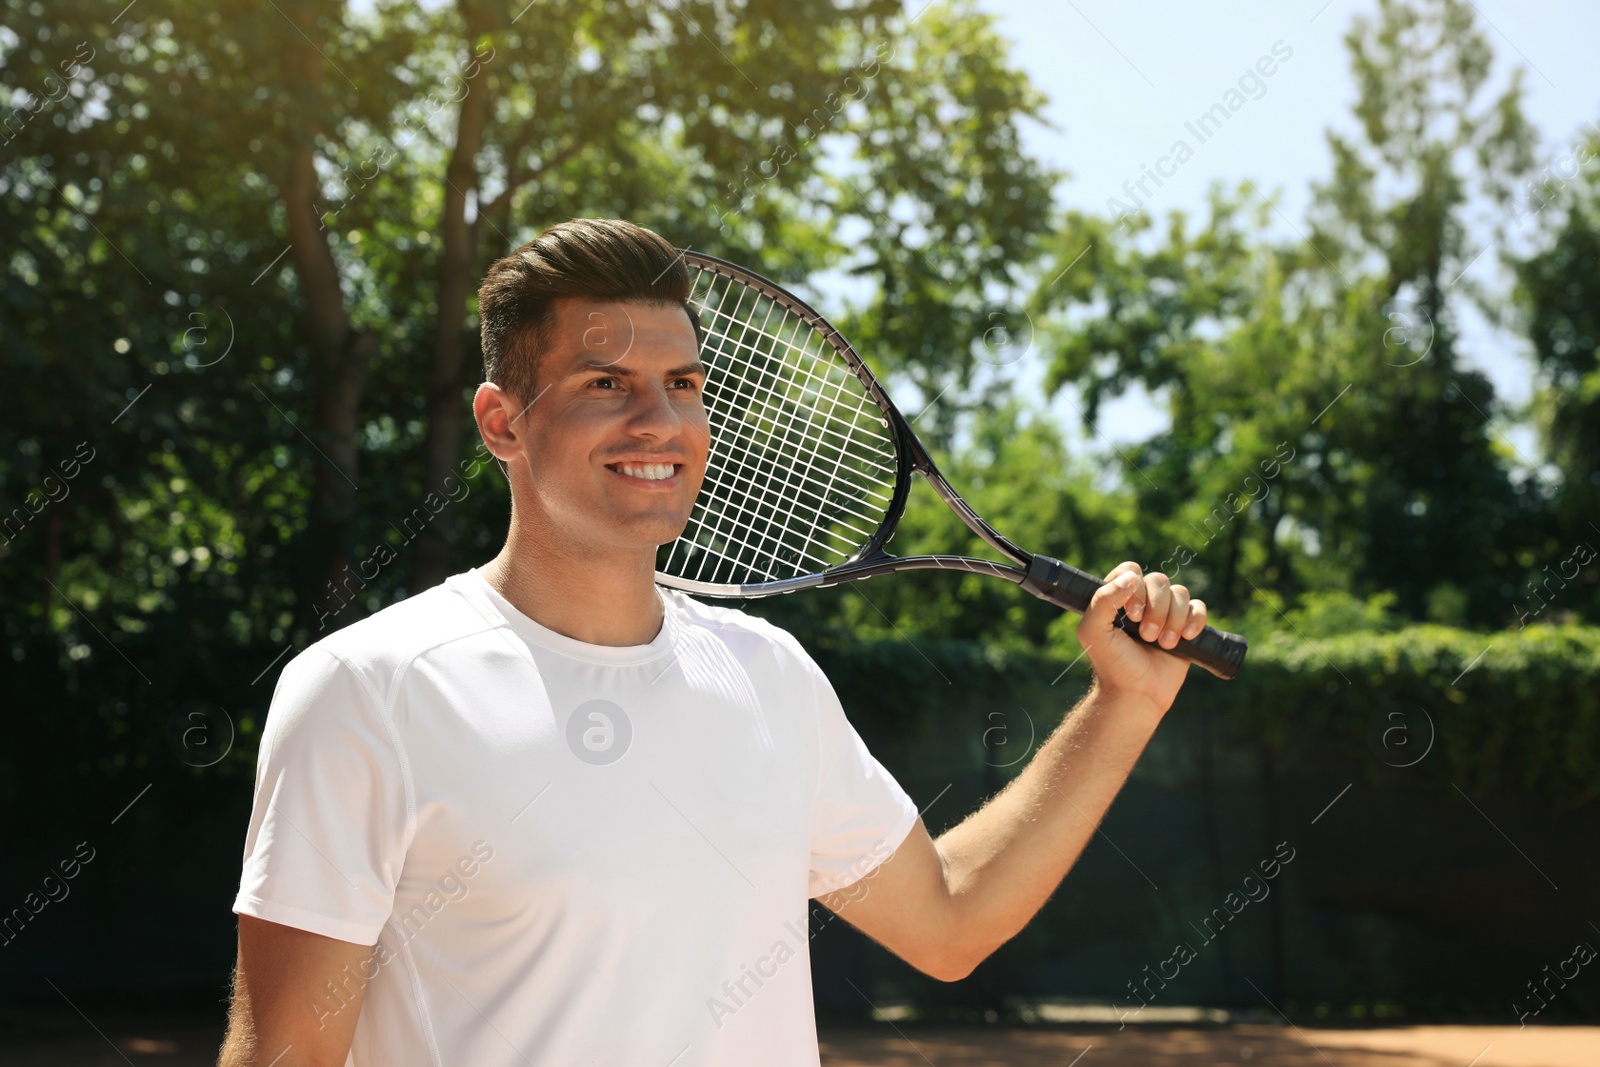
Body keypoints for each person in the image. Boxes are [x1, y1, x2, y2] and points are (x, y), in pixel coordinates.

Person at [217, 218, 1208, 1067]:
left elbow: (948, 918)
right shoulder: (366, 691)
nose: (660, 419)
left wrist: (1123, 703)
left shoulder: (767, 674)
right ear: (500, 421)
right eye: (606, 381)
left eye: (683, 381)